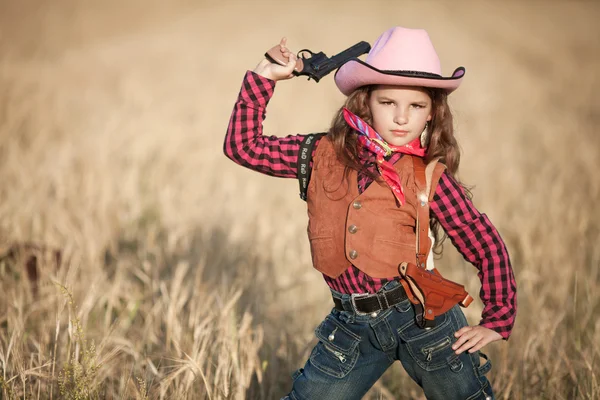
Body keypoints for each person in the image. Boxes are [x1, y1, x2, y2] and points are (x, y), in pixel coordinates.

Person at [224, 26, 516, 400]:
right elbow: (243, 146)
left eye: (416, 106)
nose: (401, 117)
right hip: (350, 328)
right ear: (365, 102)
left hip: (426, 322)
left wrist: (497, 319)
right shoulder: (318, 154)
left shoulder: (430, 177)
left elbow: (485, 243)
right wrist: (264, 75)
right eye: (388, 102)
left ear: (431, 114)